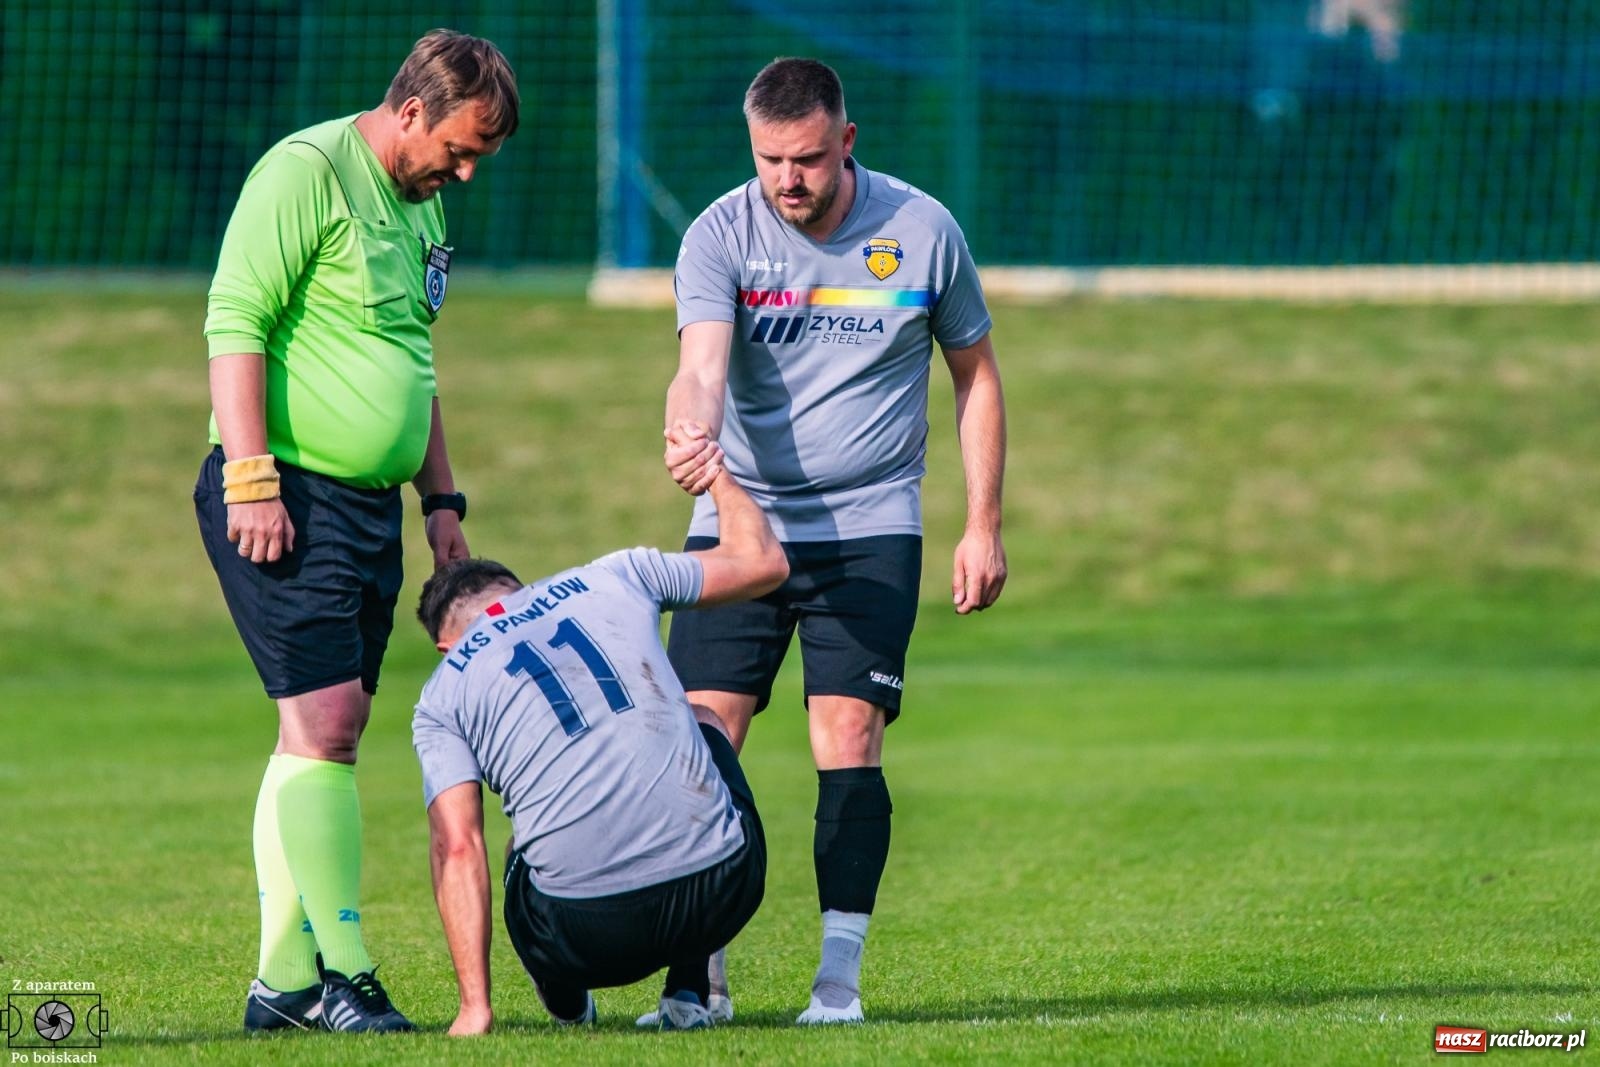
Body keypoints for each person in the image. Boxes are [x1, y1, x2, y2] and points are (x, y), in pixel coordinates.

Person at [660, 57, 1008, 1025]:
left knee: (846, 734)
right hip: (740, 524)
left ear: (846, 142)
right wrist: (687, 424)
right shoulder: (718, 235)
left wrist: (982, 524)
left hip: (869, 527)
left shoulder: (923, 231)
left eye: (808, 158)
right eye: (770, 159)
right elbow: (700, 366)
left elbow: (976, 375)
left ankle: (836, 986)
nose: (788, 180)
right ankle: (696, 982)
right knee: (698, 739)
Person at [192, 29, 518, 1034]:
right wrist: (252, 482)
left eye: (477, 161)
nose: (460, 173)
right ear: (412, 109)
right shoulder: (306, 172)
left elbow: (412, 367)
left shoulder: (419, 213)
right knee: (326, 726)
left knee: (315, 737)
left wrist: (444, 506)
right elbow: (235, 323)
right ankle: (346, 976)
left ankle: (281, 986)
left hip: (372, 507)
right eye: (457, 150)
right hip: (287, 488)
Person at [411, 435, 788, 1034]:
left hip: (583, 938)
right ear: (521, 590)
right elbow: (765, 562)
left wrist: (474, 1008)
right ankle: (688, 991)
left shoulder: (442, 690)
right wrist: (713, 472)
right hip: (723, 892)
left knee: (518, 848)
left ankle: (565, 999)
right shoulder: (612, 576)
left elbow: (459, 847)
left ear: (444, 643)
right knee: (706, 720)